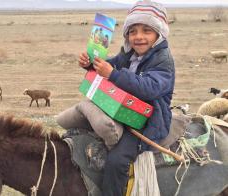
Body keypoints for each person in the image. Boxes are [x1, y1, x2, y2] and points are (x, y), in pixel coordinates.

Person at [57, 0, 175, 195]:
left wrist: (113, 74)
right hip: (125, 111)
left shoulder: (163, 60)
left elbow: (149, 89)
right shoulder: (128, 55)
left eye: (146, 30)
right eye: (133, 31)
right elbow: (108, 65)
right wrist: (90, 64)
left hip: (148, 122)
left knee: (117, 160)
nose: (138, 37)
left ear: (159, 34)